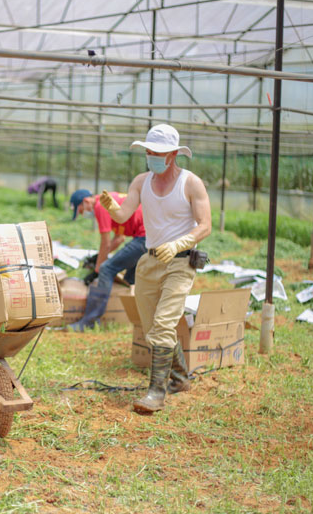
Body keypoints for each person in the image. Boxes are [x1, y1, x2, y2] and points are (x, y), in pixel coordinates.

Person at [100, 124, 211, 414]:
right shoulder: (141, 181)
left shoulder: (191, 183)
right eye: (149, 152)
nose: (152, 157)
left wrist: (178, 245)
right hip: (149, 261)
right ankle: (180, 378)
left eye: (158, 153)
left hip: (179, 262)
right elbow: (125, 214)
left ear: (173, 154)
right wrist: (112, 207)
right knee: (151, 329)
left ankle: (156, 393)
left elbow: (205, 225)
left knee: (163, 325)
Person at [68, 188, 146, 331]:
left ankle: (89, 322)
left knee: (107, 269)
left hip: (145, 236)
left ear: (86, 201)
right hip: (148, 234)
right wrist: (98, 257)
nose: (82, 214)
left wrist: (97, 269)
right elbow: (119, 238)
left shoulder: (100, 206)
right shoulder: (108, 199)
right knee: (129, 278)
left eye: (80, 210)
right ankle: (126, 316)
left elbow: (105, 242)